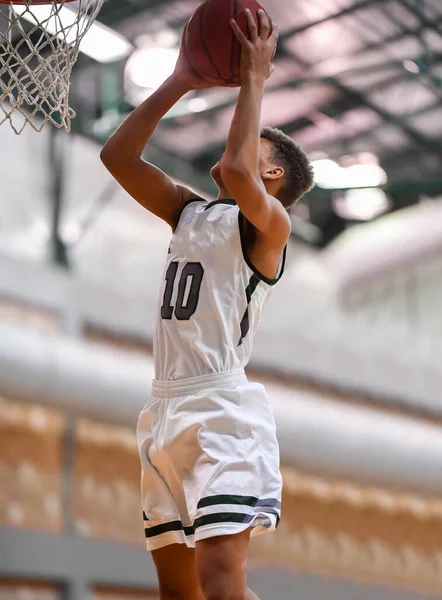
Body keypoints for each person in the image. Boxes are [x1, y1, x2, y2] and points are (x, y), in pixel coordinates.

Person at [101, 9, 314, 600]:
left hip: (222, 412)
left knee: (221, 586)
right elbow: (118, 158)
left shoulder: (269, 227)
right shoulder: (191, 210)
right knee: (180, 593)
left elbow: (241, 168)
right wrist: (180, 80)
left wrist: (255, 77)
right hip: (163, 408)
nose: (231, 142)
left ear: (274, 172)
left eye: (250, 142)